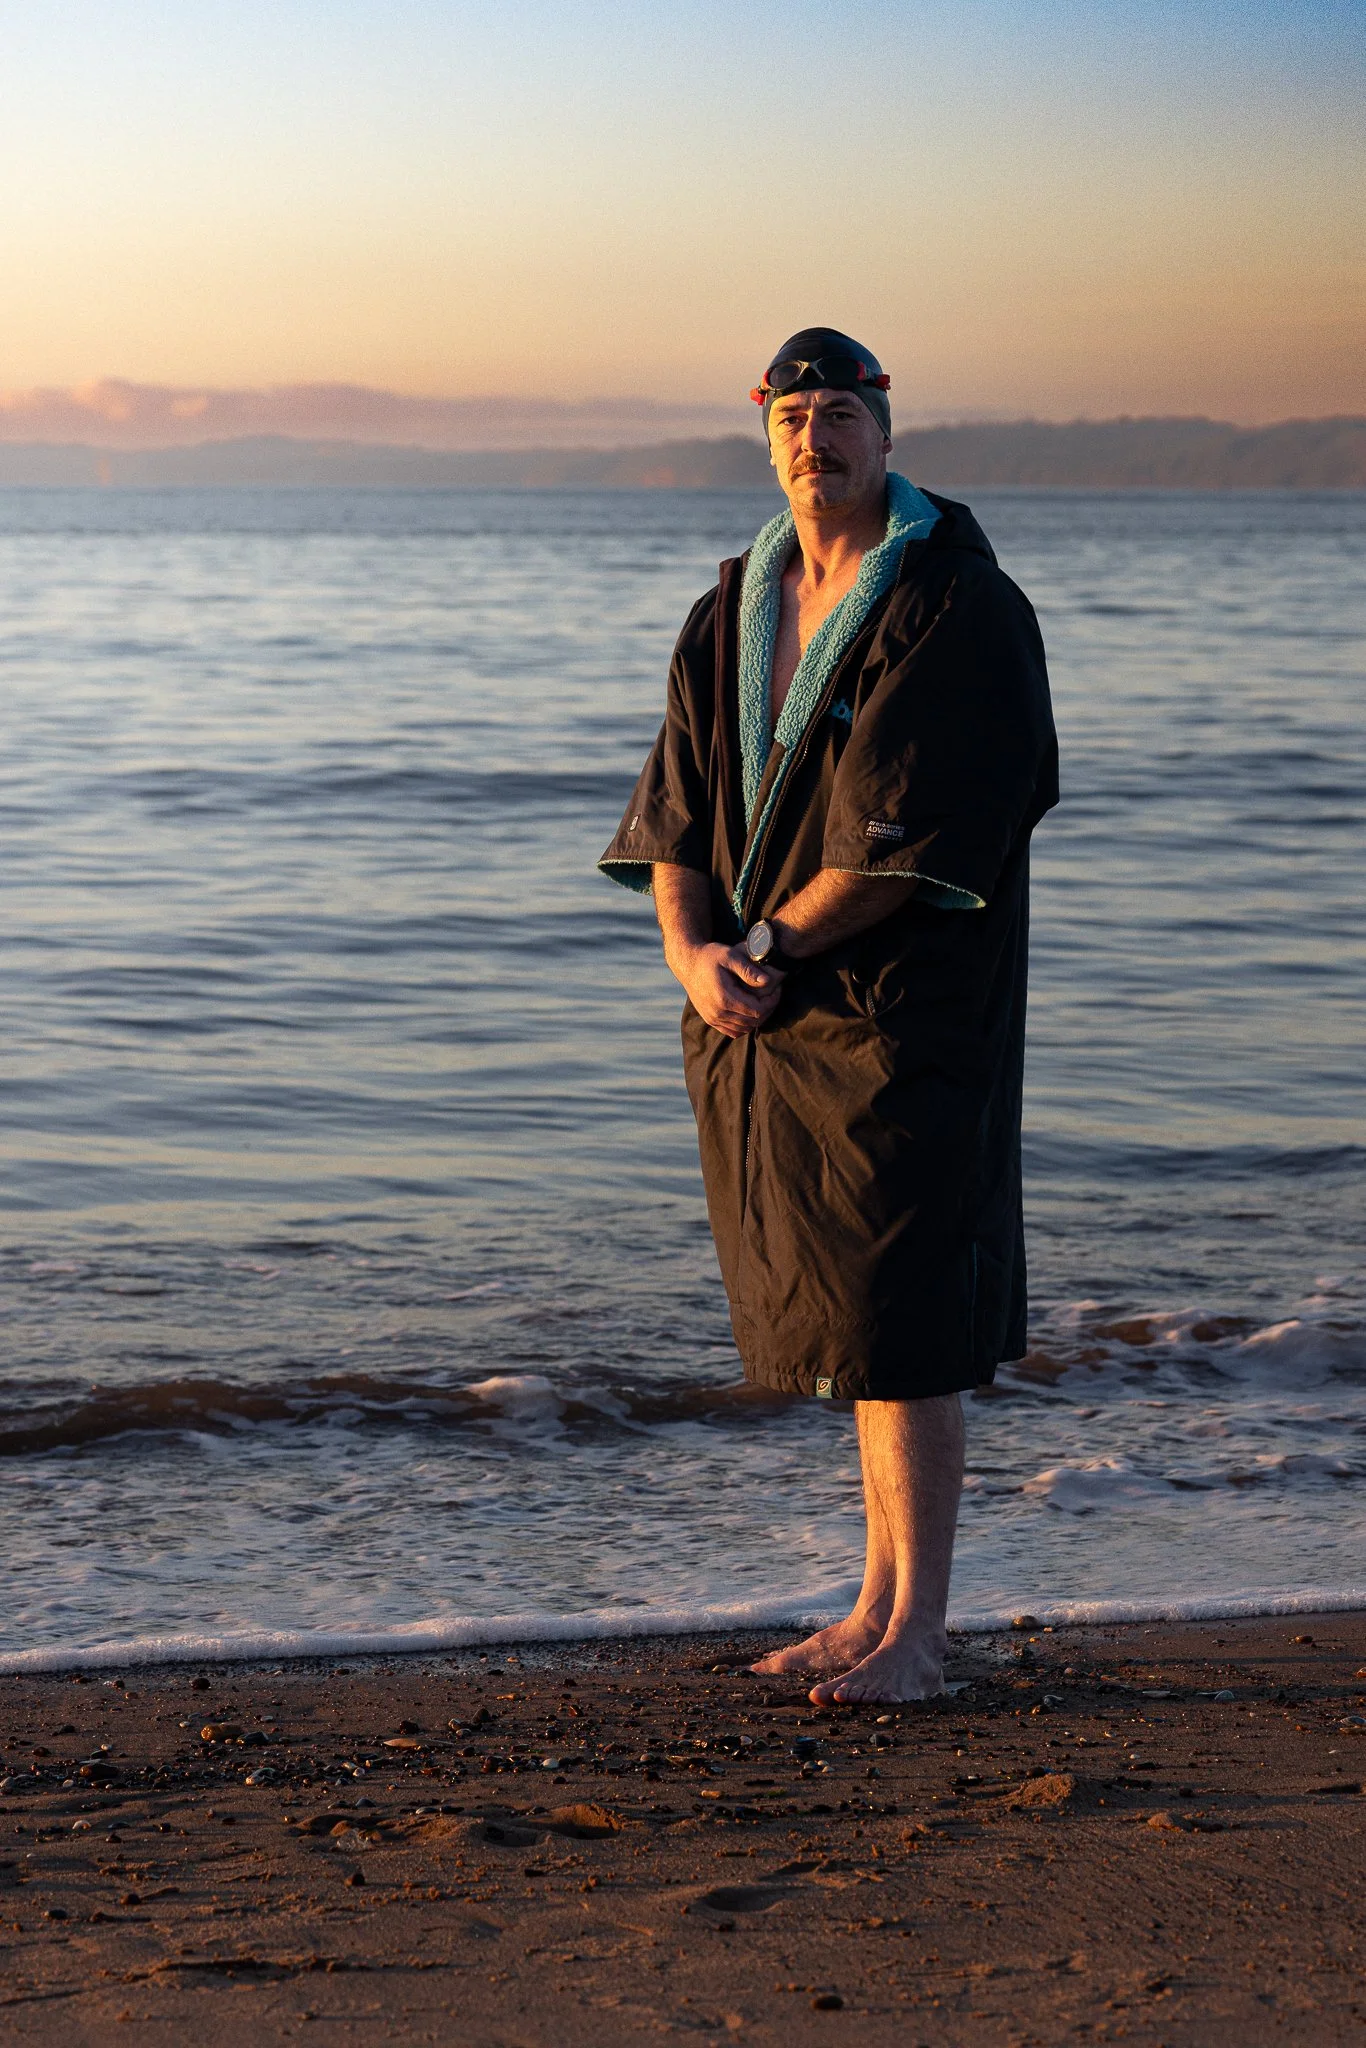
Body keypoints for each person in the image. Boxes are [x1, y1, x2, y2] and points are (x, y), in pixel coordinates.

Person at [599, 327, 1058, 1703]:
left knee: (905, 1312)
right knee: (851, 1320)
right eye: (793, 415)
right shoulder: (732, 608)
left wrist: (764, 941)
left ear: (885, 430)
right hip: (764, 1016)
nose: (818, 435)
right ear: (769, 437)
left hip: (905, 1011)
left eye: (842, 411)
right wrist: (694, 952)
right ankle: (869, 1608)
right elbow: (675, 811)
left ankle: (918, 1634)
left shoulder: (955, 605)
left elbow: (912, 828)